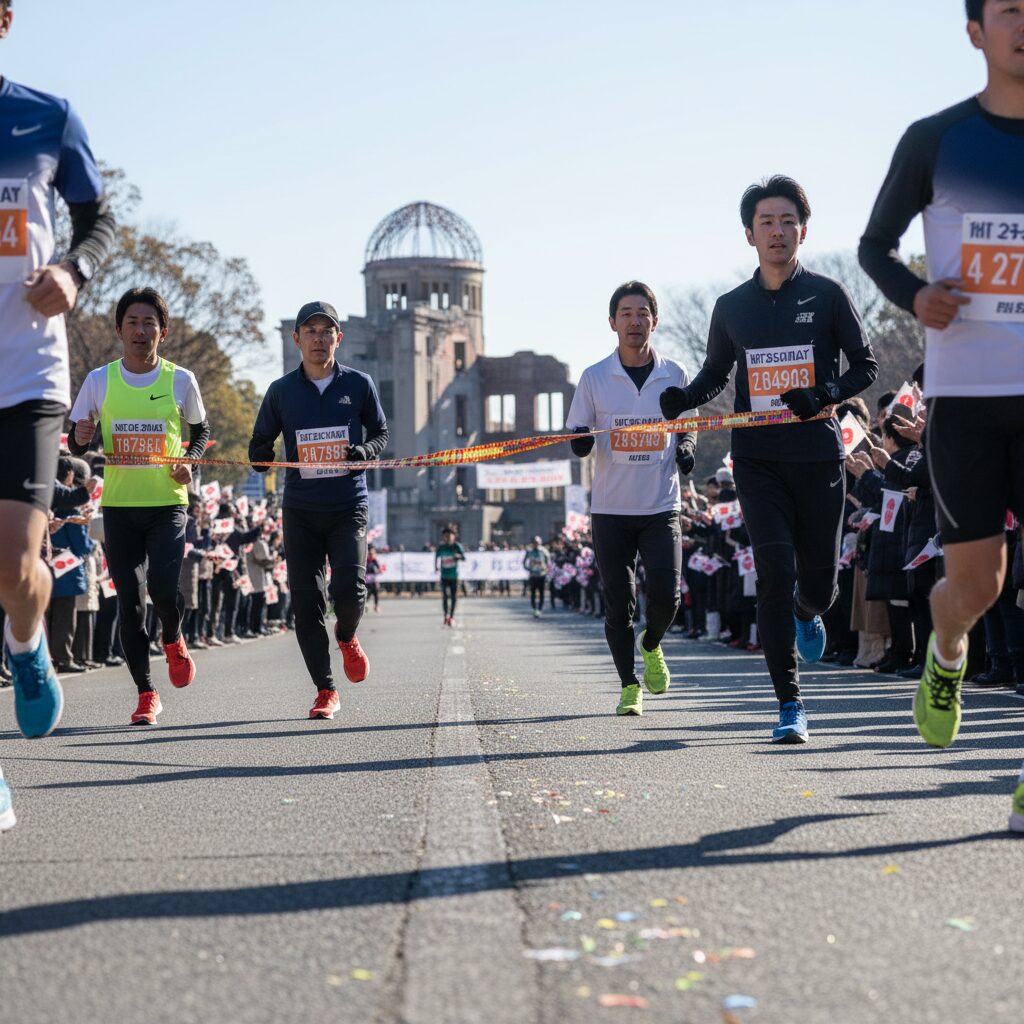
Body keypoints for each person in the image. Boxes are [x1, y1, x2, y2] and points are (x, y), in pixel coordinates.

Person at [858, 0, 1024, 831]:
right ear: (976, 32)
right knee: (978, 585)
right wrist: (915, 296)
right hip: (966, 400)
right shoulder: (936, 139)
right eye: (1012, 9)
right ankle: (946, 647)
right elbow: (874, 247)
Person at [661, 177, 878, 742]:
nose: (777, 232)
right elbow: (715, 373)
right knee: (774, 575)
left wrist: (825, 393)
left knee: (820, 587)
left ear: (803, 230)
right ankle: (790, 704)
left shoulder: (828, 295)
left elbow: (866, 366)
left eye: (787, 222)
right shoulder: (731, 306)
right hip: (757, 460)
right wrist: (685, 399)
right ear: (749, 235)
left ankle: (809, 611)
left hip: (817, 456)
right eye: (766, 223)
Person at [0, 0, 115, 829]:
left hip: (28, 374)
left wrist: (74, 270)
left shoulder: (47, 116)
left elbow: (98, 218)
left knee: (14, 570)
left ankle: (26, 638)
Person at [69, 287, 210, 724]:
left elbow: (201, 432)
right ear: (119, 330)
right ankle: (146, 693)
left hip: (167, 503)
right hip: (120, 506)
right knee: (130, 603)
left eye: (149, 323)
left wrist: (190, 461)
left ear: (162, 332)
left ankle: (173, 636)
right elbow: (76, 441)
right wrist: (82, 437)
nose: (140, 330)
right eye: (132, 322)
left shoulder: (180, 380)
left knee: (164, 591)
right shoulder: (99, 380)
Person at [249, 300, 388, 721]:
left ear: (338, 338)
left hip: (348, 504)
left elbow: (380, 433)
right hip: (301, 509)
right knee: (306, 603)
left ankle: (346, 635)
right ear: (296, 339)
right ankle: (325, 689)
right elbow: (260, 443)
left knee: (350, 590)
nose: (318, 338)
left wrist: (365, 451)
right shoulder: (281, 391)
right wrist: (261, 456)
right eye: (310, 331)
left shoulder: (359, 384)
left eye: (326, 331)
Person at [567, 281, 696, 717]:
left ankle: (652, 642)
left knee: (667, 596)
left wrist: (686, 446)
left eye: (642, 313)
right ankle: (628, 685)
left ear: (654, 322)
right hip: (611, 510)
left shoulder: (675, 374)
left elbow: (689, 425)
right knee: (618, 605)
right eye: (626, 314)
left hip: (661, 506)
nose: (634, 321)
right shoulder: (594, 377)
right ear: (612, 323)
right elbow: (579, 433)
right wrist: (581, 442)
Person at [435, 528, 465, 626]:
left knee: (453, 597)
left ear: (453, 537)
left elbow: (464, 557)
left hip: (454, 576)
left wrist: (457, 556)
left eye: (449, 536)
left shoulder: (456, 546)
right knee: (444, 596)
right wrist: (436, 567)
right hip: (444, 575)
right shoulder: (441, 547)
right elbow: (436, 557)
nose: (447, 538)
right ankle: (445, 616)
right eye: (445, 536)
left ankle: (451, 616)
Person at [523, 536, 550, 617]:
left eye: (537, 543)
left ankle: (540, 609)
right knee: (533, 593)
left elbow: (548, 561)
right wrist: (529, 569)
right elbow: (524, 562)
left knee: (541, 593)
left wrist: (545, 569)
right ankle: (534, 608)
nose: (536, 544)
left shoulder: (543, 551)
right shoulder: (529, 551)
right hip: (533, 575)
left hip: (541, 575)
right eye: (534, 543)